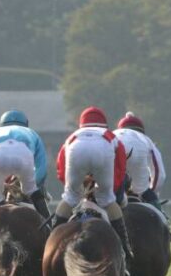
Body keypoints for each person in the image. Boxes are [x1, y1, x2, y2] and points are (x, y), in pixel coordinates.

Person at [52, 106, 133, 261]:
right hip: (103, 150)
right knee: (108, 200)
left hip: (76, 149)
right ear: (104, 124)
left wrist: (74, 190)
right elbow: (121, 167)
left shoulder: (73, 136)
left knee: (69, 198)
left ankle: (51, 240)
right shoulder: (109, 135)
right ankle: (125, 248)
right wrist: (110, 190)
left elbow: (60, 168)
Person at [0, 110, 49, 218]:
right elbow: (41, 166)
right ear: (25, 123)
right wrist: (35, 185)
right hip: (23, 154)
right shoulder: (31, 132)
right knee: (32, 191)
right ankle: (48, 225)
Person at [114, 111, 167, 211]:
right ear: (141, 130)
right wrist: (152, 192)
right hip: (137, 156)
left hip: (112, 154)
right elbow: (160, 173)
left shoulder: (113, 134)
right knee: (143, 190)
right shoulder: (145, 139)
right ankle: (163, 221)